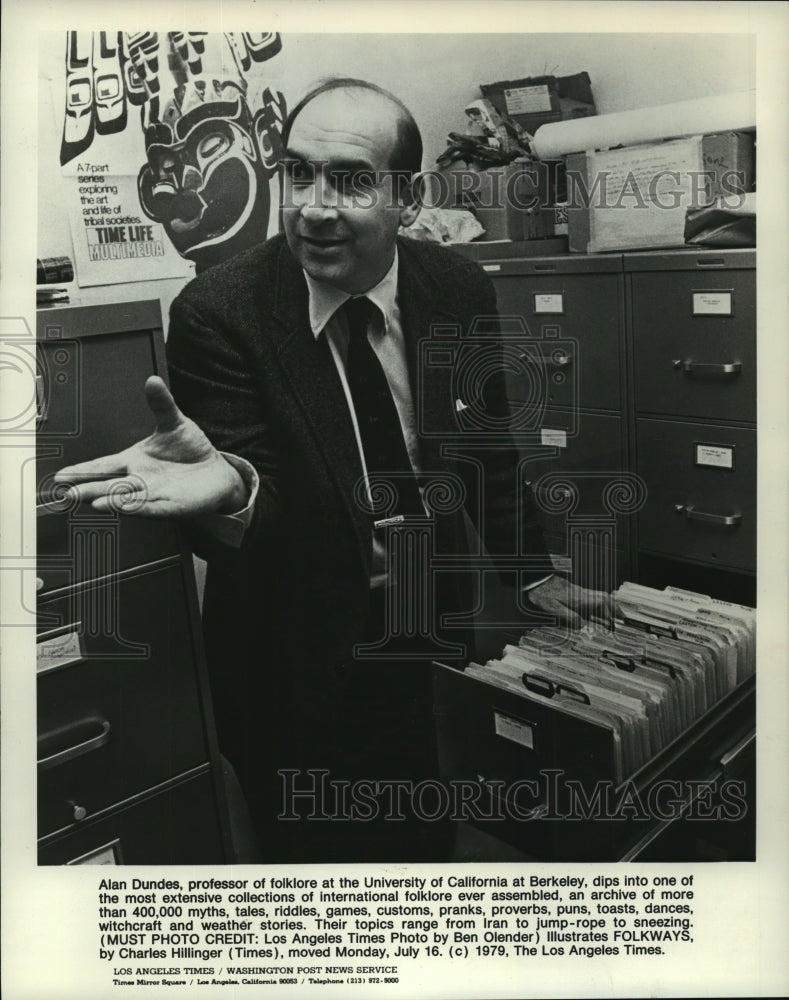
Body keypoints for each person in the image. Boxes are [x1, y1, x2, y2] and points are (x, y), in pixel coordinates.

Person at [57, 78, 610, 862]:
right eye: (297, 173)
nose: (314, 205)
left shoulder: (455, 287)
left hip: (425, 624)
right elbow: (256, 510)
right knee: (315, 860)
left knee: (423, 830)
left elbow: (484, 452)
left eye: (350, 180)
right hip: (291, 652)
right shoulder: (220, 312)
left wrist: (529, 573)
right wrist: (238, 491)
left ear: (406, 196)